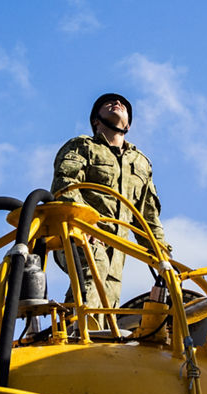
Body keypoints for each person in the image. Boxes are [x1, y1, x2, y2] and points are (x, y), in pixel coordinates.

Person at [51, 93, 168, 316]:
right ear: (96, 120)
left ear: (129, 125)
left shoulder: (141, 163)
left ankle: (92, 337)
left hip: (117, 252)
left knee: (108, 305)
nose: (118, 103)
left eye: (123, 104)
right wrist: (86, 224)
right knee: (95, 263)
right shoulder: (83, 146)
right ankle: (78, 327)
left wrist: (163, 258)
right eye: (109, 103)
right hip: (78, 236)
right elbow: (65, 185)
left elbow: (148, 217)